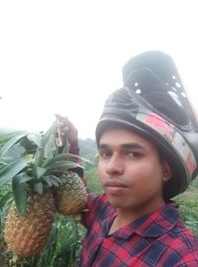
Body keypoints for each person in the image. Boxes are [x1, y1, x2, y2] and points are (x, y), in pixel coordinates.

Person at [67, 51, 198, 266]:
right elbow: (75, 196)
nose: (112, 167)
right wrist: (70, 147)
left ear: (166, 169)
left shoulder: (180, 258)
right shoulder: (103, 210)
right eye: (106, 153)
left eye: (133, 154)